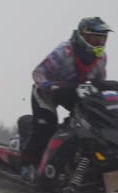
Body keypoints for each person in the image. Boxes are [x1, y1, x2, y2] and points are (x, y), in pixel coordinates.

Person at [20, 17, 112, 170]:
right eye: (94, 39)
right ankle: (27, 164)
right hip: (47, 93)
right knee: (46, 126)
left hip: (75, 93)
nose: (99, 43)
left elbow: (99, 82)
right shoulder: (64, 51)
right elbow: (38, 73)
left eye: (102, 39)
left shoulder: (101, 58)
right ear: (82, 36)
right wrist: (48, 85)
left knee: (91, 123)